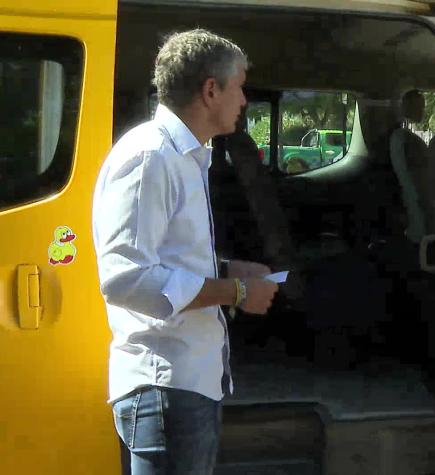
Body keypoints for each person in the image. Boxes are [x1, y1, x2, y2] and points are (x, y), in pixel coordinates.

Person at [92, 29, 279, 474]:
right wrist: (235, 291)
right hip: (165, 390)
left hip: (186, 385)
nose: (244, 100)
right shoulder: (151, 157)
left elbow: (165, 259)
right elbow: (127, 278)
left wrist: (229, 268)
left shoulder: (183, 156)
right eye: (239, 87)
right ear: (211, 90)